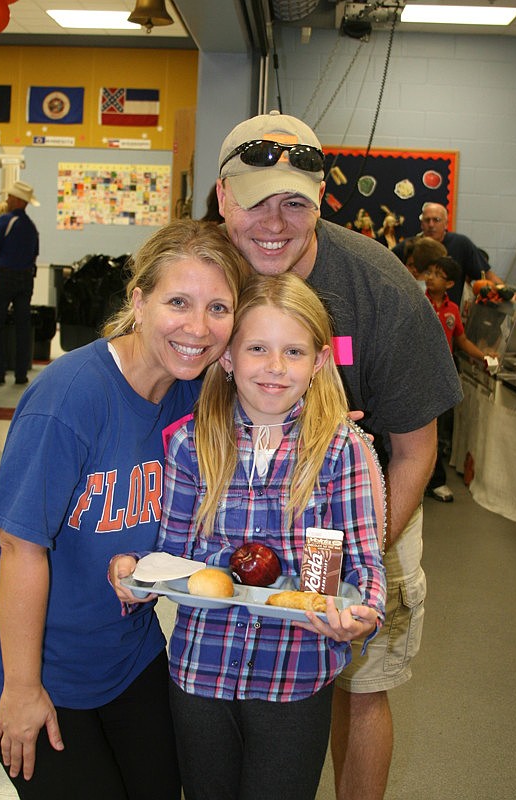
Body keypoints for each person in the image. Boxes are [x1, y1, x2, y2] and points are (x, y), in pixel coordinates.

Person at [213, 110, 463, 800]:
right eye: (255, 196)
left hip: (354, 516)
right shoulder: (204, 280)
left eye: (294, 200)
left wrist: (356, 561)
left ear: (320, 201)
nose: (273, 221)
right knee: (244, 685)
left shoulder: (378, 289)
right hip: (237, 516)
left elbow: (416, 449)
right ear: (220, 195)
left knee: (357, 684)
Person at [0, 220, 251, 800]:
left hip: (130, 656)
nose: (198, 327)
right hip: (41, 667)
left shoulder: (193, 391)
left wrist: (322, 421)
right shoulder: (70, 397)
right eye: (178, 302)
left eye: (218, 308)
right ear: (138, 301)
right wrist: (20, 689)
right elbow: (19, 546)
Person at [111, 272, 387, 800]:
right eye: (257, 348)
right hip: (201, 674)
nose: (276, 367)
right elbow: (171, 556)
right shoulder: (195, 441)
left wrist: (361, 615)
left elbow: (364, 566)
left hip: (297, 675)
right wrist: (137, 575)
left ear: (319, 363)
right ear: (228, 358)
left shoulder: (338, 450)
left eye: (294, 352)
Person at [424, 255, 495, 503]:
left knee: (440, 430)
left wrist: (482, 356)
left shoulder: (452, 310)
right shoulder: (419, 303)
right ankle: (421, 479)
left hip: (444, 375)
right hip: (422, 373)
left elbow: (461, 341)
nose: (430, 278)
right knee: (420, 429)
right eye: (429, 272)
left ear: (450, 284)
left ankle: (436, 481)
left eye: (437, 275)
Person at [393, 202, 502, 306]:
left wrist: (504, 292)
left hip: (449, 316)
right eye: (427, 220)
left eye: (436, 220)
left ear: (445, 223)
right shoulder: (409, 246)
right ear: (422, 224)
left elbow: (487, 275)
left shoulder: (461, 244)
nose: (431, 224)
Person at [0, 181, 40, 386]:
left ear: (19, 201)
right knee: (23, 327)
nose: (8, 200)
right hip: (25, 279)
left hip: (5, 277)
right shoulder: (31, 227)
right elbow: (34, 254)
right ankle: (21, 374)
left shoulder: (5, 220)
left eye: (11, 197)